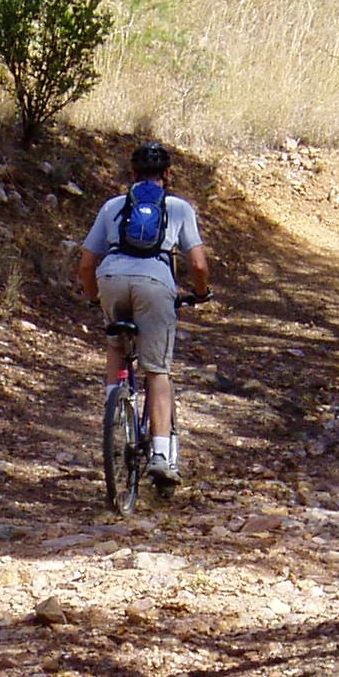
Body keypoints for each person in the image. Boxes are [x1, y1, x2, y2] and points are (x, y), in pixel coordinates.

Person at [74, 140, 211, 483]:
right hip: (155, 282)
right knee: (156, 371)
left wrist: (94, 298)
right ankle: (162, 456)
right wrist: (201, 292)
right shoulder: (178, 208)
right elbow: (197, 264)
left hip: (112, 278)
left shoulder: (113, 207)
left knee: (115, 343)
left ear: (132, 175)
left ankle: (113, 412)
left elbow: (87, 263)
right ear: (167, 175)